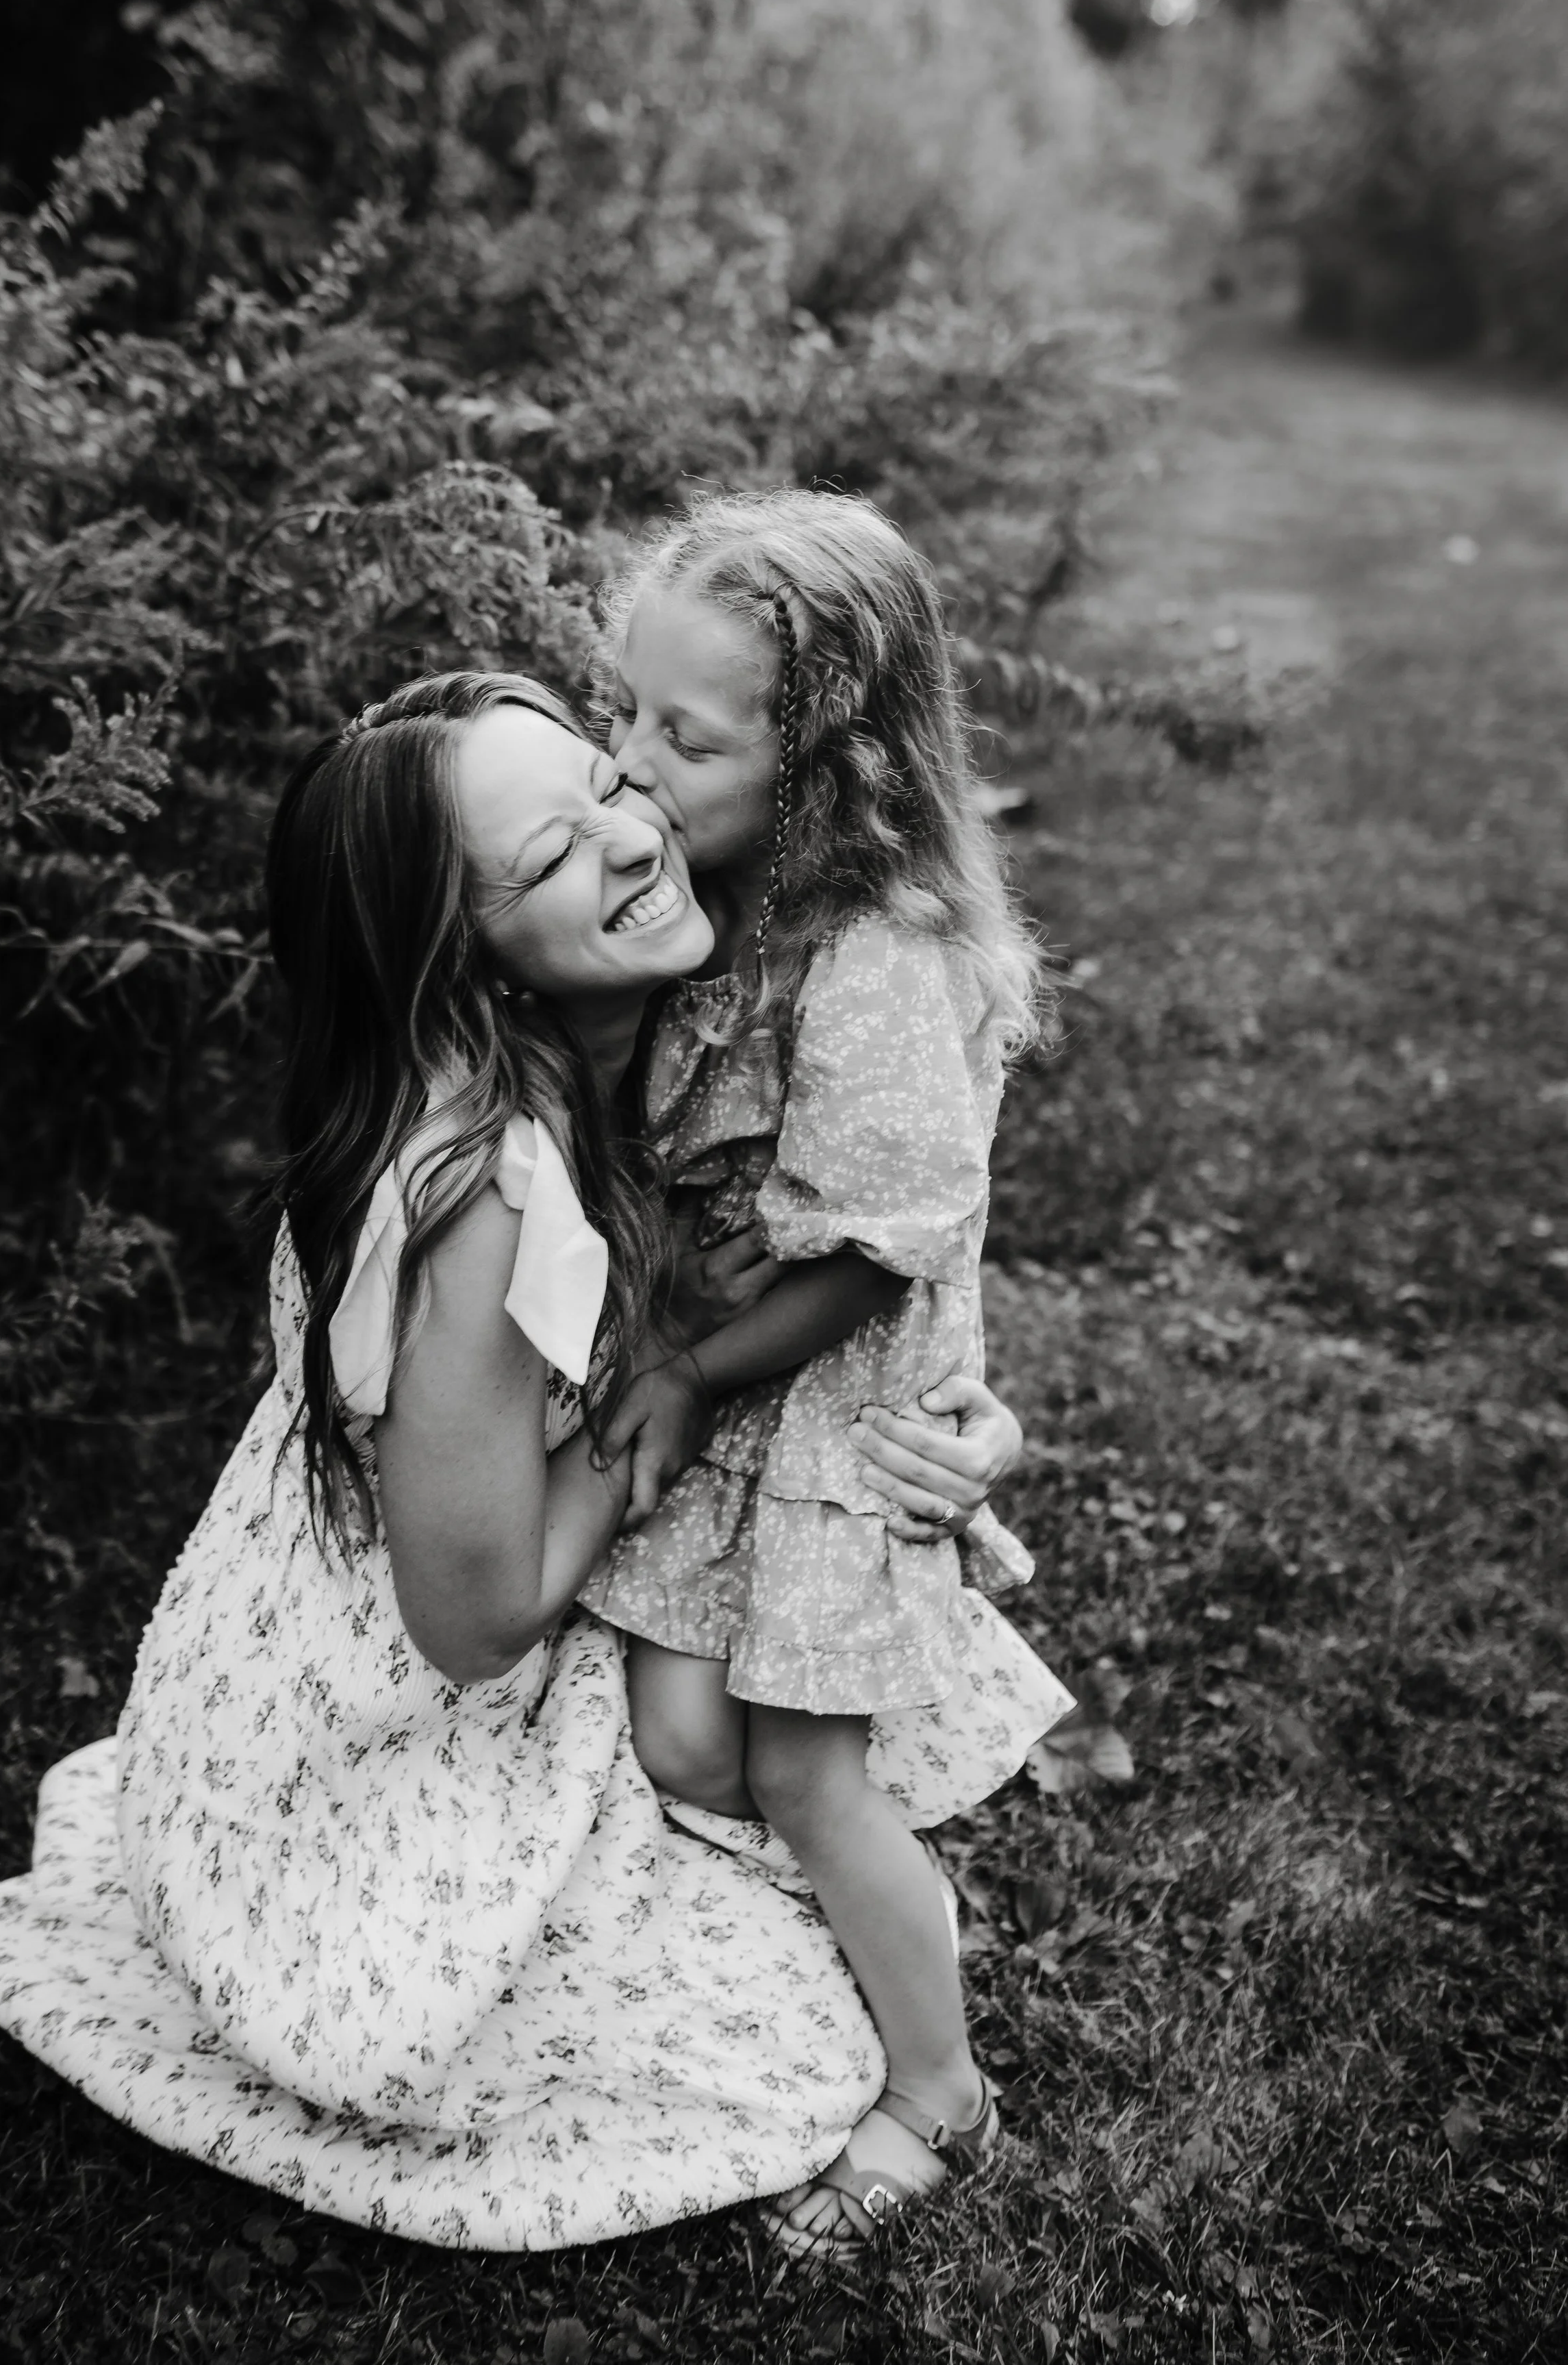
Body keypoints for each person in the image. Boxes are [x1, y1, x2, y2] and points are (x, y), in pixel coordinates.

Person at [0, 671, 1034, 2251]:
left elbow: (884, 1225)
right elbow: (469, 1622)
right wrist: (660, 1385)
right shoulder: (471, 1194)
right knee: (770, 2037)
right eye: (550, 859)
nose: (629, 838)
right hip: (396, 1699)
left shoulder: (664, 999)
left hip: (524, 1580)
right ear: (460, 960)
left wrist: (955, 1412)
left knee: (738, 1760)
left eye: (604, 787)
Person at [577, 492, 1072, 2259]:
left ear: (825, 766)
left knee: (799, 1771)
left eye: (687, 738)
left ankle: (935, 2089)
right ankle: (843, 1935)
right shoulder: (716, 892)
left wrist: (691, 1370)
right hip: (736, 1372)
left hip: (832, 1397)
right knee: (678, 1737)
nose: (629, 762)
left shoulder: (870, 950)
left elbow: (875, 1248)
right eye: (623, 709)